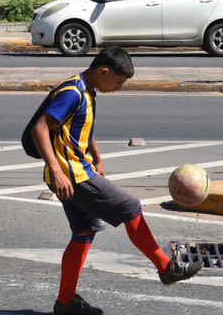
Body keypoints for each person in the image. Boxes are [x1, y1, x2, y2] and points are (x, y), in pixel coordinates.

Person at [31, 47, 202, 315]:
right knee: (130, 206)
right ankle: (166, 267)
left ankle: (65, 303)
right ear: (104, 72)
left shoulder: (86, 91)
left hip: (75, 171)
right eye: (119, 82)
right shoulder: (72, 93)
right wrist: (56, 170)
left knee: (83, 233)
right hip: (72, 175)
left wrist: (97, 157)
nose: (119, 88)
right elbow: (40, 128)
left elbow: (81, 129)